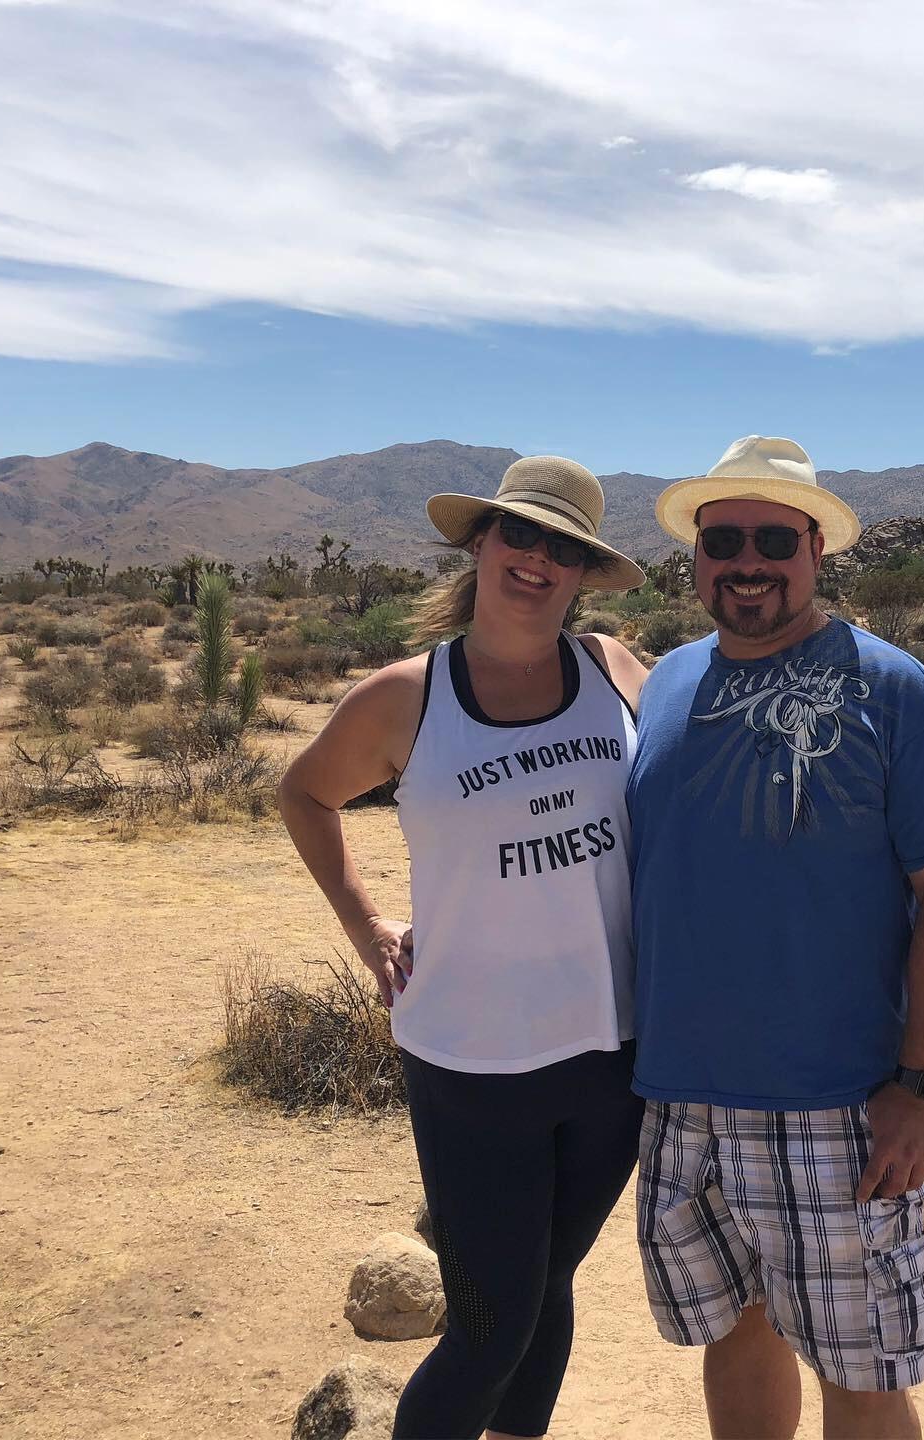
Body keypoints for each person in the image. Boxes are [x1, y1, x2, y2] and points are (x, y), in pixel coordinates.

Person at [627, 436, 924, 1440]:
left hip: (838, 1110)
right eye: (722, 540)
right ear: (696, 556)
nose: (745, 560)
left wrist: (923, 1086)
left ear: (816, 550)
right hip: (683, 1102)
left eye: (771, 538)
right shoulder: (665, 685)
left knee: (862, 1369)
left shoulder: (895, 691)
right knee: (734, 1334)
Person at [278, 456, 650, 1440]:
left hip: (614, 1053)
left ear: (583, 572)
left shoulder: (617, 673)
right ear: (480, 543)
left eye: (563, 548)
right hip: (471, 1062)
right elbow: (305, 795)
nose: (538, 559)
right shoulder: (407, 698)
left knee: (550, 1288)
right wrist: (365, 926)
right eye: (519, 535)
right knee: (489, 1328)